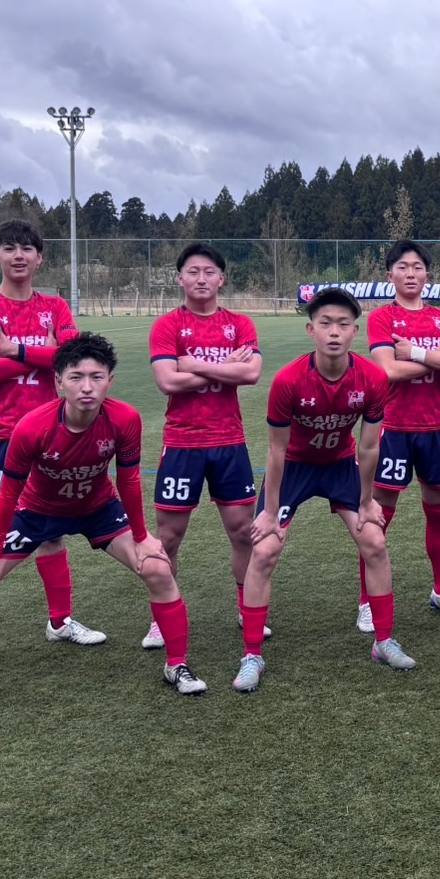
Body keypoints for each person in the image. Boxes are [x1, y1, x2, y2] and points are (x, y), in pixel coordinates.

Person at [0, 334, 205, 721]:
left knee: (158, 568)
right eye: (76, 377)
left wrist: (142, 538)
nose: (87, 387)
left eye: (96, 377)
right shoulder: (32, 427)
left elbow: (129, 481)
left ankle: (177, 665)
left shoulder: (125, 419)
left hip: (97, 509)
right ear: (58, 382)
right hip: (37, 512)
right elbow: (9, 493)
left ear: (110, 381)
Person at [236, 288, 415, 692]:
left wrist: (366, 502)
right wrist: (270, 511)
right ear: (311, 330)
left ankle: (384, 642)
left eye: (343, 324)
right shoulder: (288, 380)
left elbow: (369, 446)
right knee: (264, 550)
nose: (334, 332)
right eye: (325, 323)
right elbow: (276, 450)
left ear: (355, 332)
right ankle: (252, 655)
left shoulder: (372, 378)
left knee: (375, 542)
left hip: (340, 466)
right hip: (295, 468)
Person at [0, 219, 103, 674]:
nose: (18, 255)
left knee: (50, 531)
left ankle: (60, 622)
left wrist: (15, 350)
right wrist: (47, 356)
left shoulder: (55, 306)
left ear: (40, 258)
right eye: (9, 248)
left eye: (27, 248)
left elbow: (73, 360)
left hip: (47, 437)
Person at [146, 243, 263, 649]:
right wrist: (225, 368)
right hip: (182, 444)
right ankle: (161, 619)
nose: (201, 278)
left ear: (221, 279)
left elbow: (251, 374)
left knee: (243, 532)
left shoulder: (240, 324)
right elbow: (167, 381)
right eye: (193, 272)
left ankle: (247, 609)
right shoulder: (167, 326)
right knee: (169, 537)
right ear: (180, 278)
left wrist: (194, 364)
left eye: (209, 271)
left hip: (230, 443)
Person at [366, 241, 440, 627]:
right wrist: (438, 359)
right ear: (390, 275)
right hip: (393, 431)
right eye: (402, 266)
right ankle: (367, 601)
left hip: (435, 431)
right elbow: (387, 371)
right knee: (378, 518)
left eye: (417, 267)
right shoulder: (381, 318)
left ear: (428, 275)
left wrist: (413, 352)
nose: (410, 273)